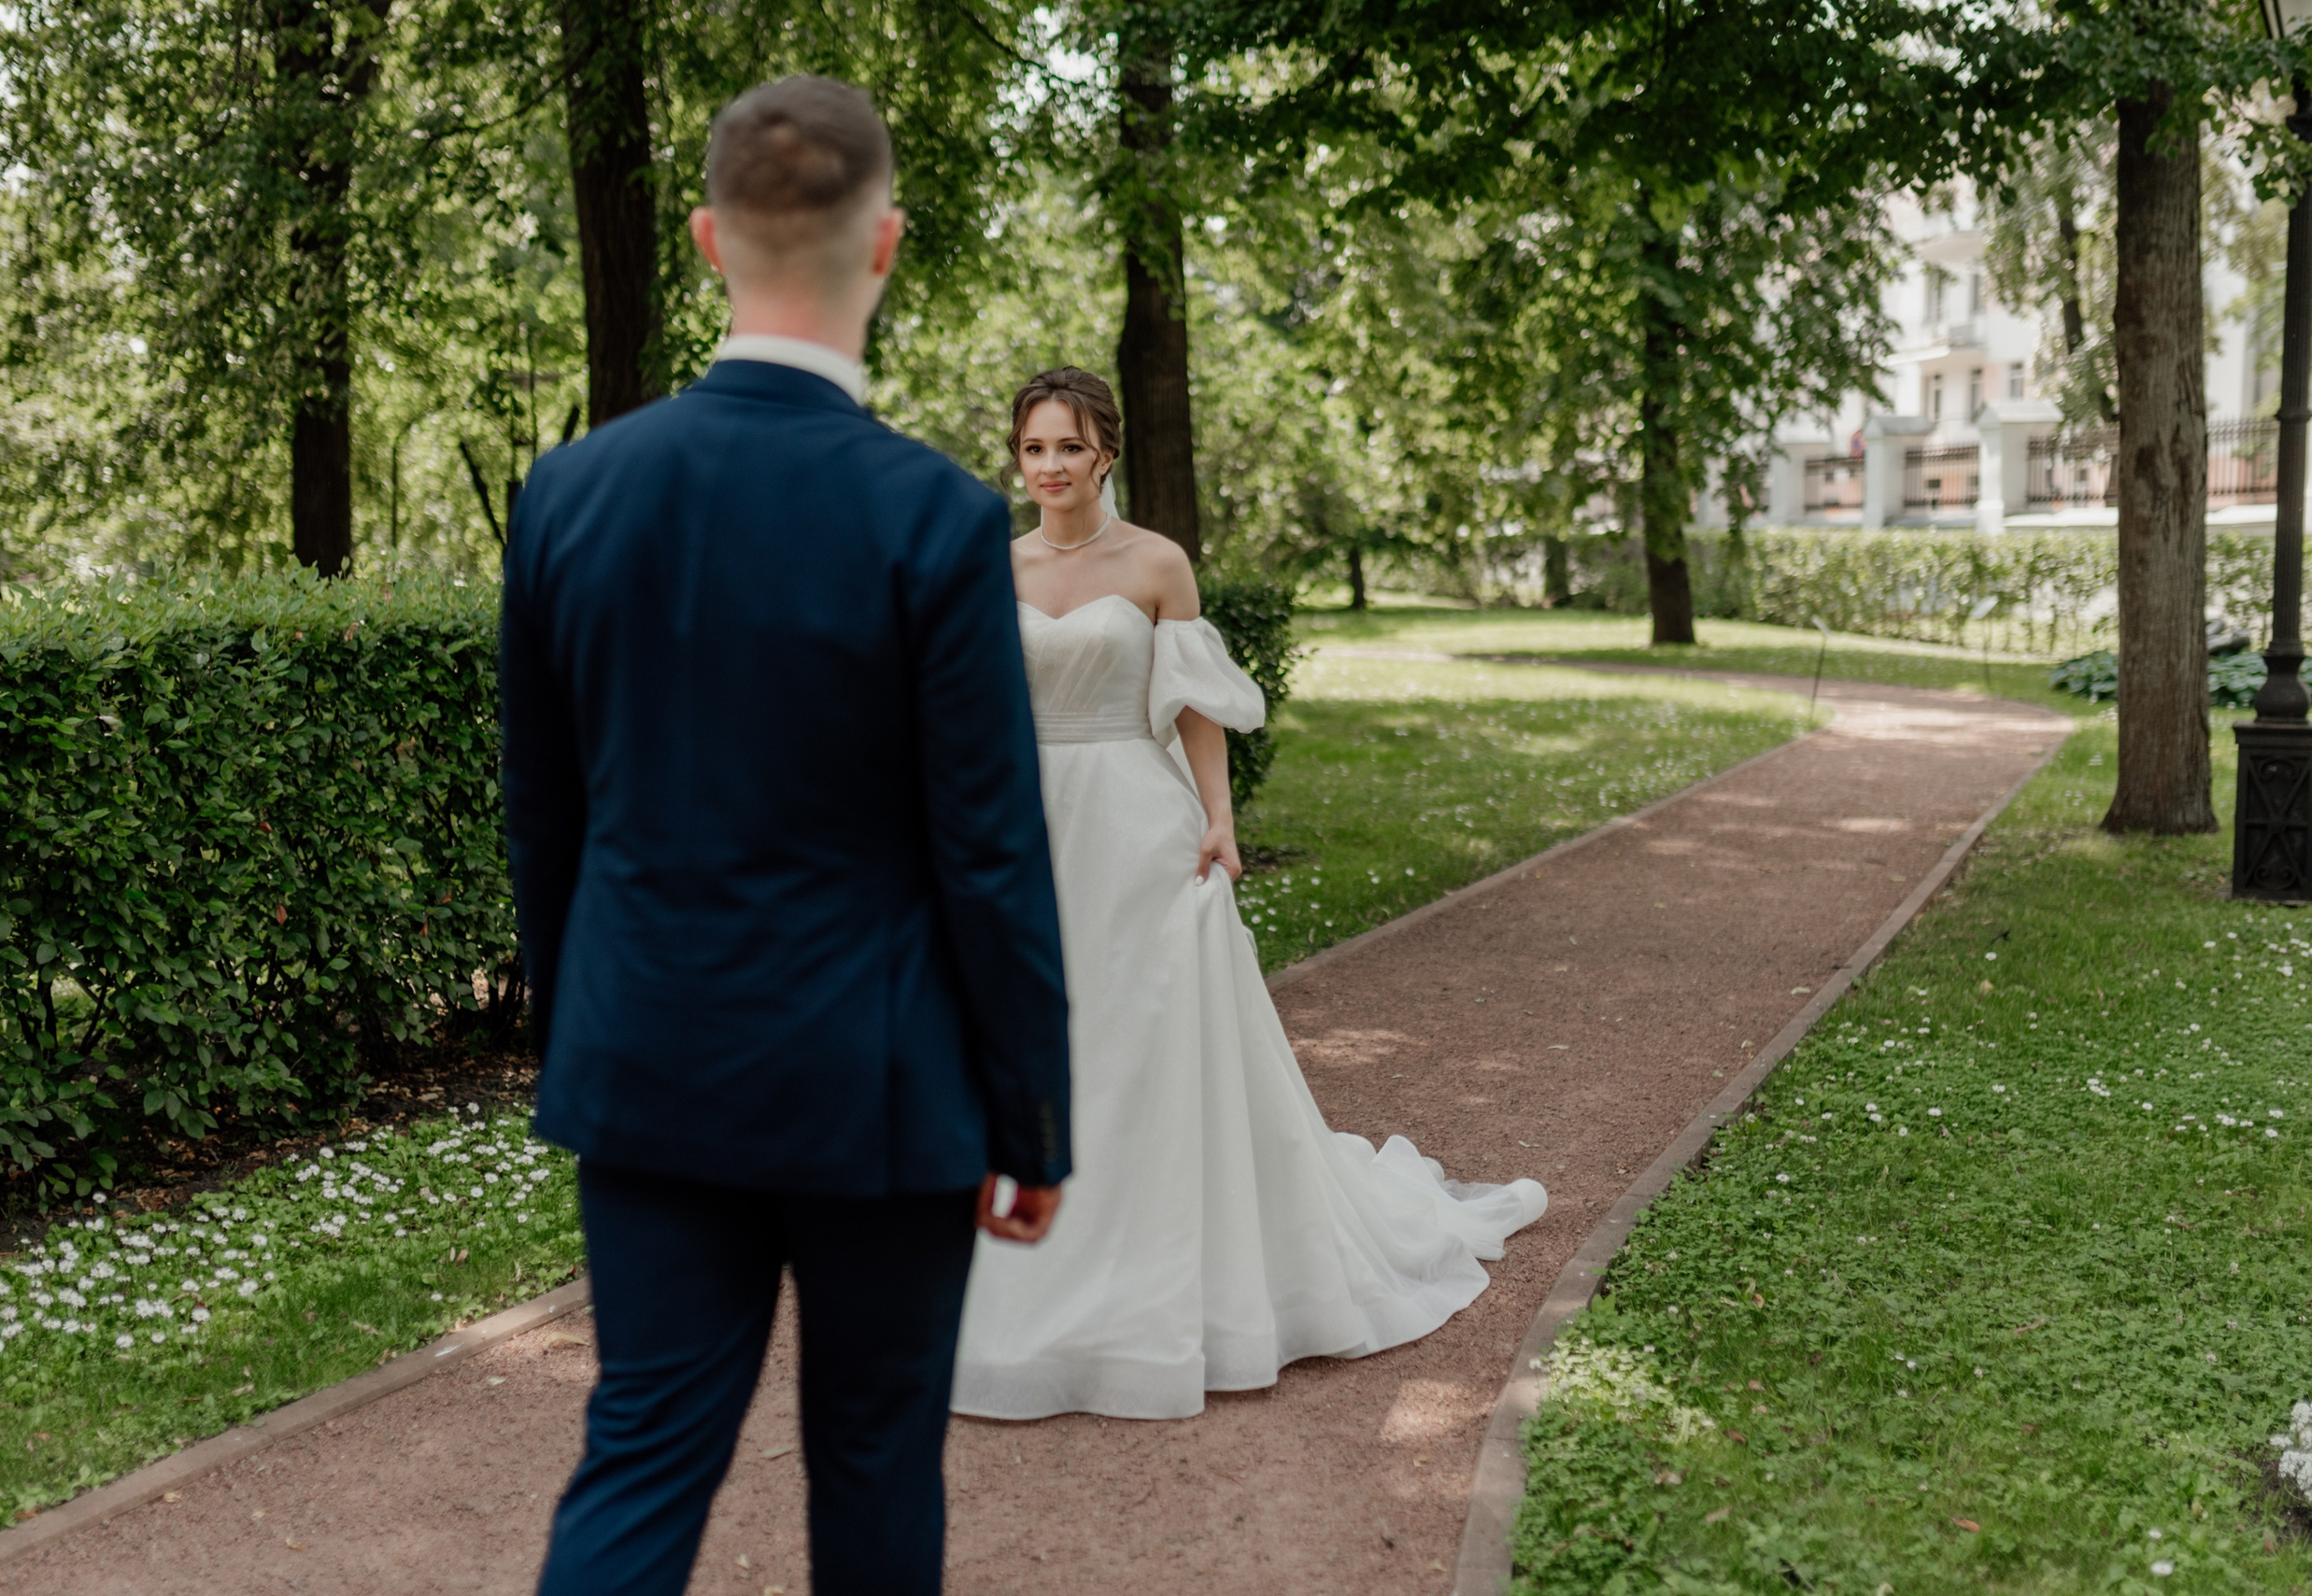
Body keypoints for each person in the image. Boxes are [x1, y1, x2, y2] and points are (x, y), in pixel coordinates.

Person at [501, 77, 1071, 1596]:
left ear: (703, 239)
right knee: (877, 1456)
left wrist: (586, 1048)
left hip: (643, 1068)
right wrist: (1031, 1115)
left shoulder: (566, 496)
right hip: (879, 1085)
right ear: (883, 245)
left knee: (639, 1445)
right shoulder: (935, 517)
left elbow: (543, 819)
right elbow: (990, 849)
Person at [949, 368, 1547, 1422]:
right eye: (1034, 447)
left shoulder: (1155, 561)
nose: (1050, 466)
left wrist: (1217, 816)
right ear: (1018, 455)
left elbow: (1192, 707)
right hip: (1027, 825)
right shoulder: (991, 566)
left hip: (1140, 826)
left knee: (1144, 1038)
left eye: (1071, 447)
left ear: (1106, 454)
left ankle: (1170, 1268)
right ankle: (1029, 1265)